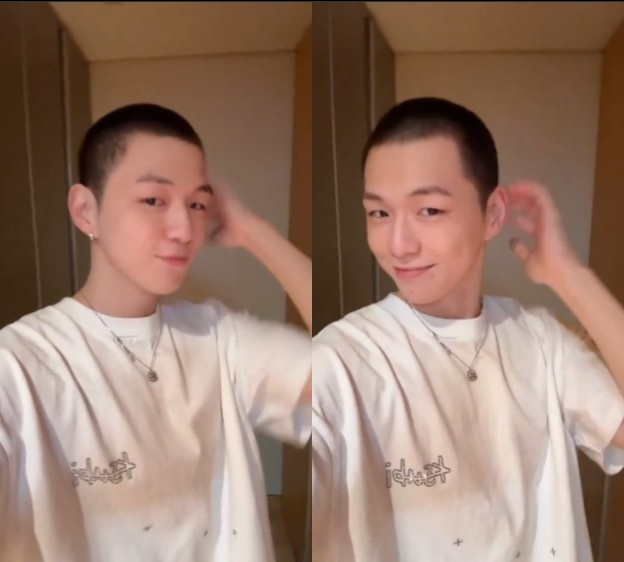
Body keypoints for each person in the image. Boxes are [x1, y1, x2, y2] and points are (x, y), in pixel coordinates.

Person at [312, 97, 624, 561]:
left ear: (492, 214)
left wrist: (569, 276)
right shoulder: (340, 359)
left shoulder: (542, 339)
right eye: (379, 213)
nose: (398, 244)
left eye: (429, 211)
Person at [0, 103, 311, 562]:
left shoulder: (220, 337)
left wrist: (252, 230)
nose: (184, 229)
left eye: (198, 204)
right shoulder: (19, 363)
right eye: (153, 200)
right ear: (86, 211)